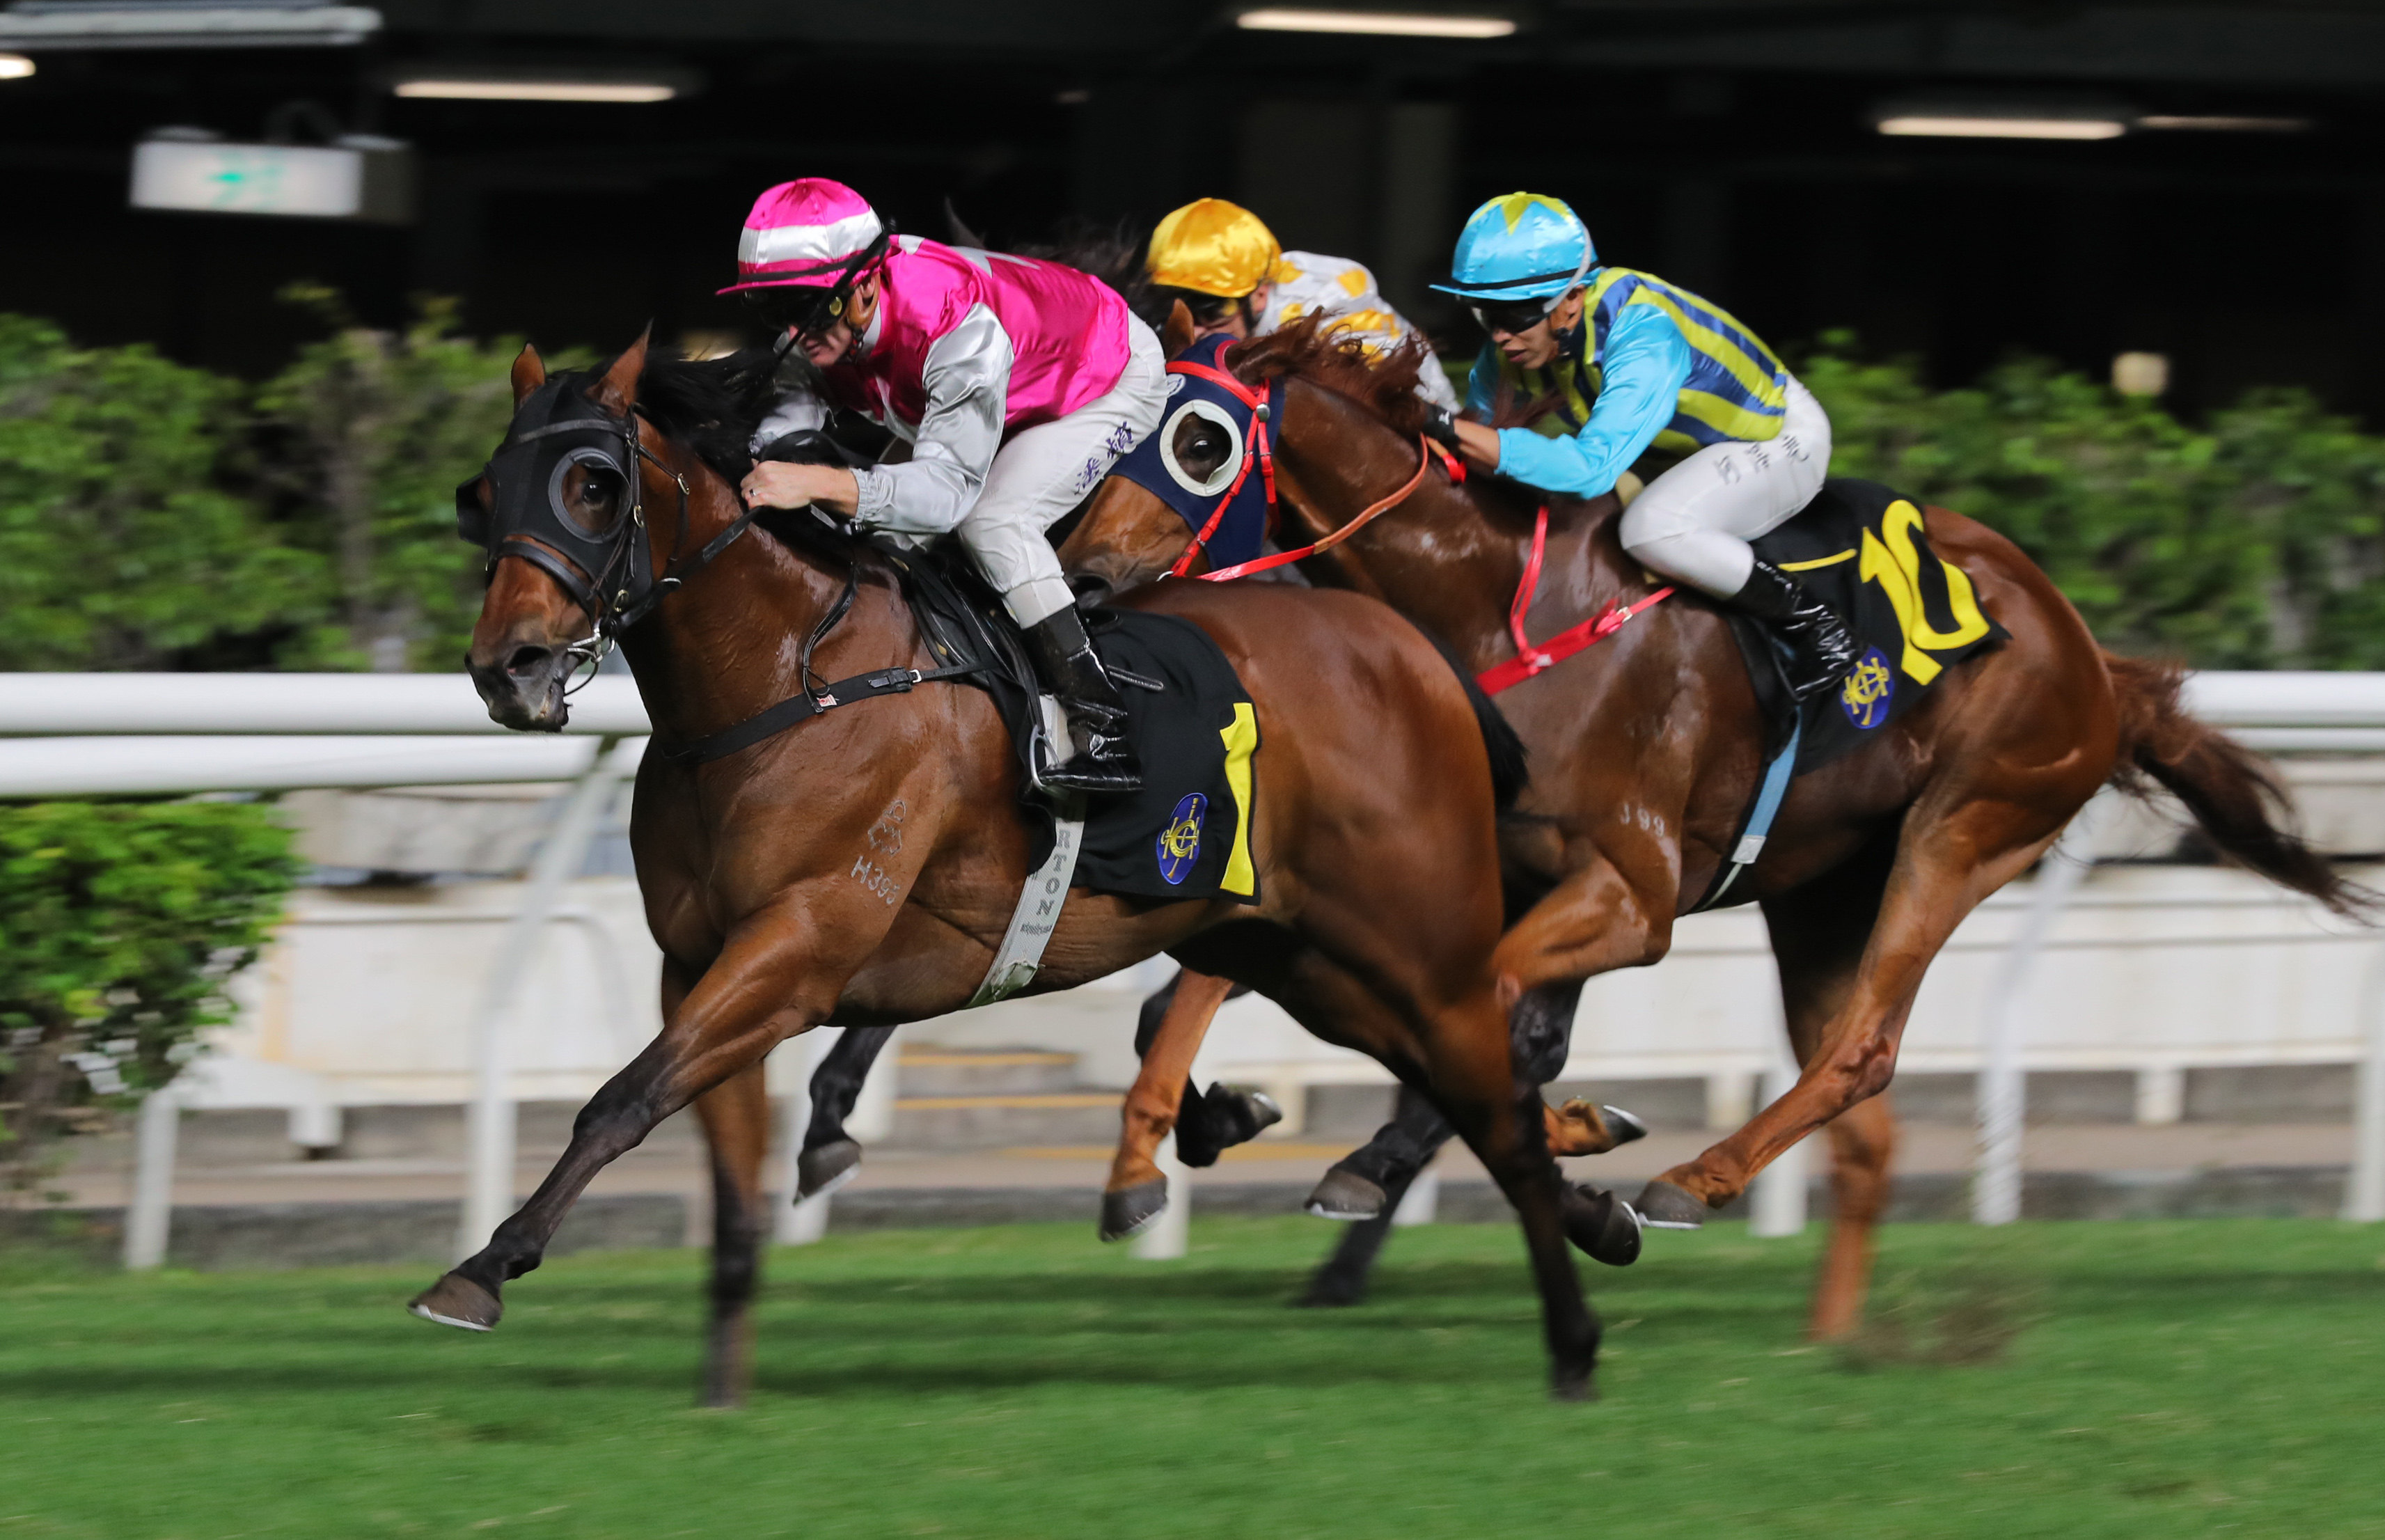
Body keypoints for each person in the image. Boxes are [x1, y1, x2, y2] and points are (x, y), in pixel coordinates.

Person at [725, 178, 1165, 792]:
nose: (798, 333)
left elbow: (945, 497)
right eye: (779, 311)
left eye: (813, 307)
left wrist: (821, 481)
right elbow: (778, 442)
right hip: (989, 382)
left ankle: (1106, 725)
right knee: (879, 524)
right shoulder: (825, 330)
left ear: (869, 283)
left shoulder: (954, 327)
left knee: (991, 522)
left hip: (1102, 373)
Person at [1426, 192, 1857, 698]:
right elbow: (1473, 441)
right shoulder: (1513, 351)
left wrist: (1453, 431)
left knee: (1652, 528)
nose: (1500, 336)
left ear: (1572, 298)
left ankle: (1820, 629)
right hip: (1675, 454)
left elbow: (1589, 470)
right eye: (1486, 315)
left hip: (1776, 438)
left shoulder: (1644, 333)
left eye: (1517, 314)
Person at [1144, 198, 1461, 412]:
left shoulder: (1329, 305)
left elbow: (1385, 415)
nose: (1195, 328)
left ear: (1260, 293)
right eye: (1179, 309)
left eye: (1213, 310)